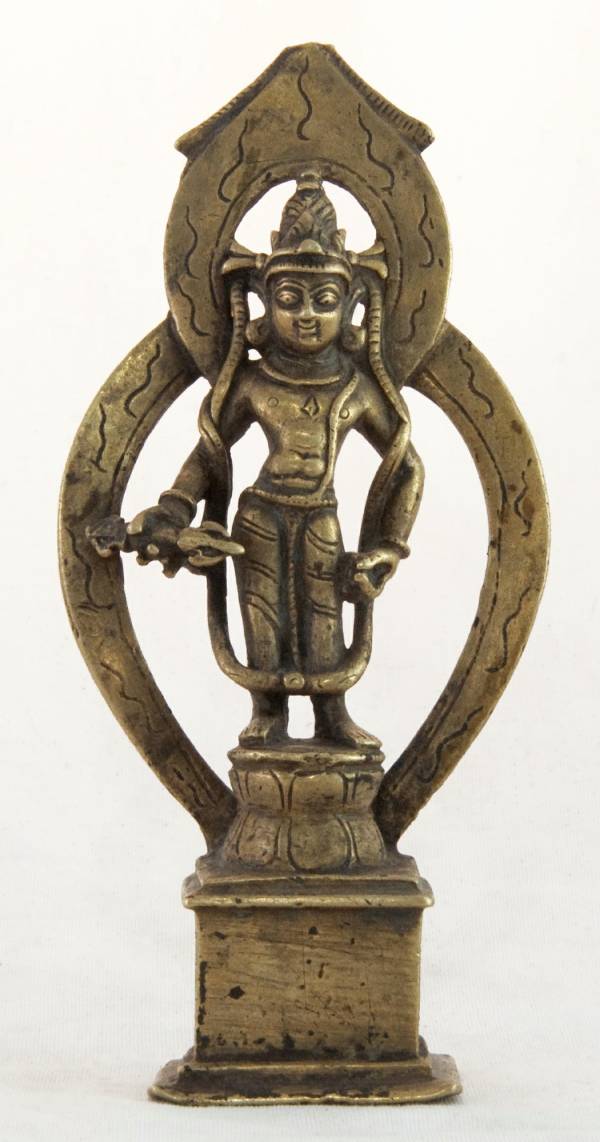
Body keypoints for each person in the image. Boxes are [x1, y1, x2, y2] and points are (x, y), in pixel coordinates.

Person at [118, 174, 424, 748]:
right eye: (289, 300)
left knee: (323, 615)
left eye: (324, 301)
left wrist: (390, 547)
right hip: (260, 513)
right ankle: (268, 713)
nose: (306, 315)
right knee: (263, 613)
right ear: (263, 303)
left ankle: (331, 714)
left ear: (352, 307)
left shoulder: (355, 388)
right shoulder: (255, 382)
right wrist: (175, 507)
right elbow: (210, 450)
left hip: (320, 513)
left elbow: (407, 467)